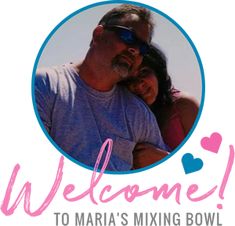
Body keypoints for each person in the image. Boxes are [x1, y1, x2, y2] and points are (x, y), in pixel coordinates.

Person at [34, 4, 169, 171]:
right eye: (127, 36)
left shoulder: (138, 113)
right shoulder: (46, 84)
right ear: (98, 35)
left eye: (143, 48)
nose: (134, 49)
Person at [127, 44, 199, 151]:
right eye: (129, 79)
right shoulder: (122, 118)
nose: (139, 84)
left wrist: (161, 158)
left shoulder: (183, 107)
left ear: (157, 73)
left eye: (144, 72)